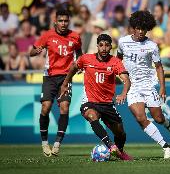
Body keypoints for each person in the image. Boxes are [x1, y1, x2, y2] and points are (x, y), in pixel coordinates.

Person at [117, 11, 170, 159]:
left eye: (143, 29)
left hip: (148, 85)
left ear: (147, 29)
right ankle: (166, 146)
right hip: (132, 86)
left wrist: (163, 87)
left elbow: (158, 67)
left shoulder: (152, 45)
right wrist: (122, 76)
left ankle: (168, 124)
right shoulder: (123, 42)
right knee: (140, 118)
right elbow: (117, 60)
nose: (140, 31)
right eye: (137, 28)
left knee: (157, 118)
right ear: (133, 27)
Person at [60, 34, 132, 160]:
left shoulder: (115, 62)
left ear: (111, 47)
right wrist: (65, 83)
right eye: (101, 45)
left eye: (107, 45)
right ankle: (111, 146)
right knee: (92, 116)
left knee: (120, 133)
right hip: (90, 101)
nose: (104, 48)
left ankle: (120, 151)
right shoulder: (86, 59)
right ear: (97, 46)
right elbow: (73, 68)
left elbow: (126, 80)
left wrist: (124, 93)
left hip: (107, 104)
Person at [30, 9, 82, 157]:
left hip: (66, 77)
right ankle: (45, 143)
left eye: (66, 21)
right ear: (55, 21)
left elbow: (79, 54)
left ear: (69, 21)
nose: (63, 23)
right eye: (61, 21)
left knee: (64, 108)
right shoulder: (47, 35)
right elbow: (31, 52)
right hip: (50, 76)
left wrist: (79, 65)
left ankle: (58, 143)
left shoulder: (75, 36)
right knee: (45, 107)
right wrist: (37, 50)